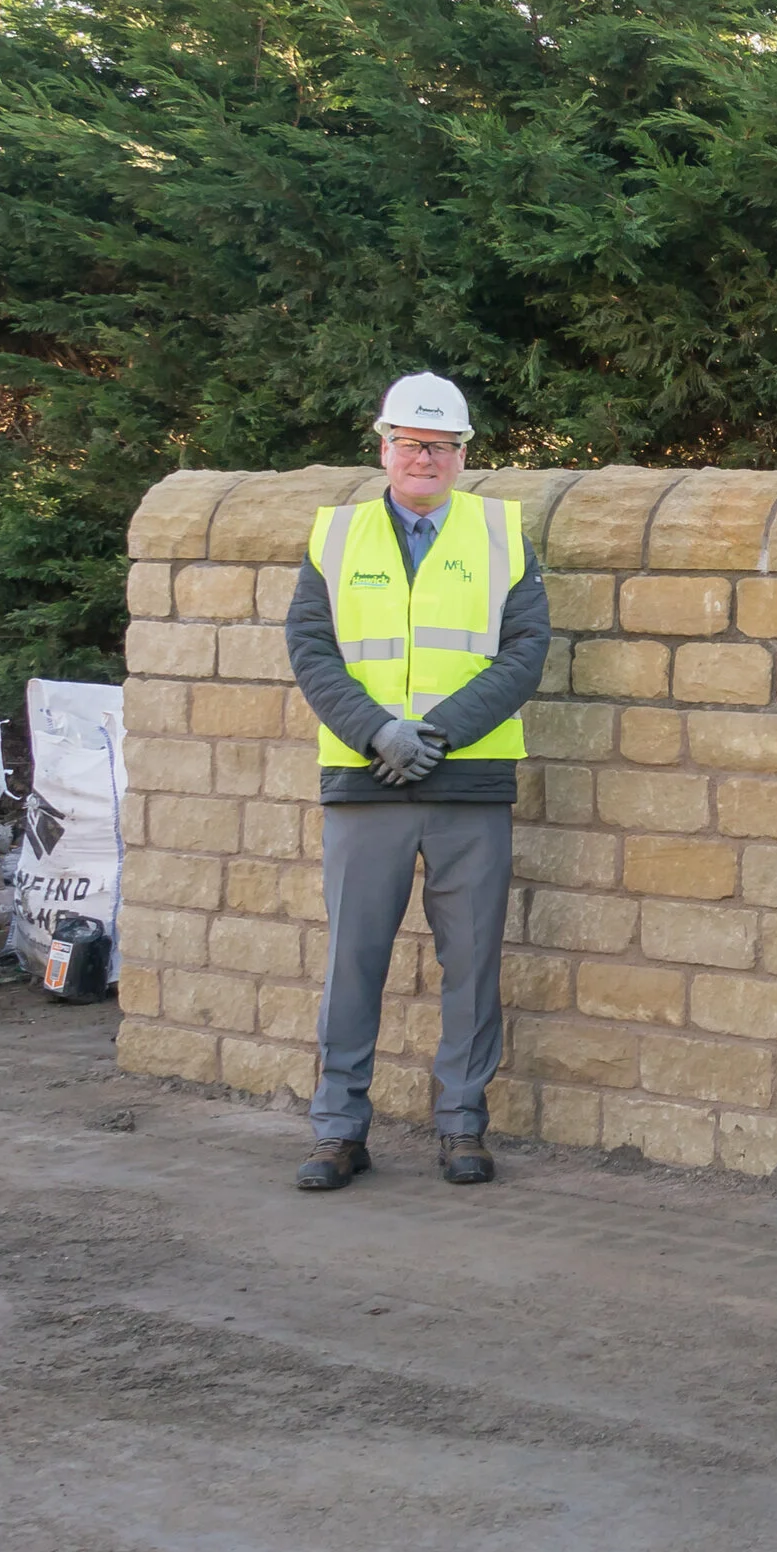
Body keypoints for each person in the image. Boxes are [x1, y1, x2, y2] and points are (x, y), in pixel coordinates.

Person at [284, 372, 550, 1192]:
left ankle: (463, 1127)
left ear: (464, 453)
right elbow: (311, 649)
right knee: (351, 962)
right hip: (365, 783)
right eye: (410, 443)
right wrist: (377, 732)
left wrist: (433, 735)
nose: (425, 458)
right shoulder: (335, 537)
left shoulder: (504, 532)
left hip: (467, 784)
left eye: (441, 445)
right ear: (383, 447)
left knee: (472, 964)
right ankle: (338, 1131)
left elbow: (525, 651)